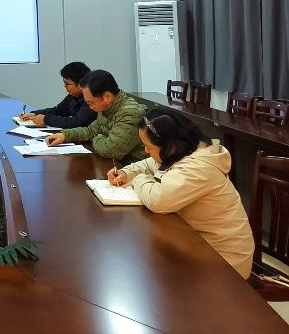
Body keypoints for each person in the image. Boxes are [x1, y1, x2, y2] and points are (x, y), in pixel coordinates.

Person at [107, 108, 253, 277]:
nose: (146, 151)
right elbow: (149, 164)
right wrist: (126, 172)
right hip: (196, 241)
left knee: (150, 271)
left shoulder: (198, 167)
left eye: (148, 147)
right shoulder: (181, 150)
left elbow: (158, 200)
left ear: (169, 145)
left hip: (225, 259)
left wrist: (138, 179)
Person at [45, 69, 145, 163]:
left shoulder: (131, 113)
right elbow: (91, 131)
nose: (90, 107)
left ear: (107, 97)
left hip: (133, 169)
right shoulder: (106, 107)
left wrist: (96, 138)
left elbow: (110, 150)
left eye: (91, 103)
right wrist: (65, 135)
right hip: (114, 165)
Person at [19, 61, 96, 129]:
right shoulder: (72, 96)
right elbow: (58, 111)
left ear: (80, 84)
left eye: (67, 84)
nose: (64, 86)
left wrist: (46, 119)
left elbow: (77, 122)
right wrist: (34, 114)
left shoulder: (91, 98)